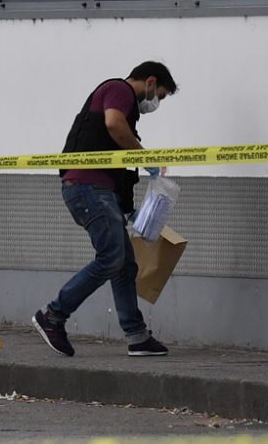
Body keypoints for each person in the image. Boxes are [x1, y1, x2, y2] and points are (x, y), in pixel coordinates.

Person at [32, 61, 178, 358]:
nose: (156, 102)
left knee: (124, 264)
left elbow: (115, 160)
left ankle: (137, 336)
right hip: (88, 187)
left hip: (98, 190)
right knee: (112, 257)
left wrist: (129, 211)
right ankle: (53, 315)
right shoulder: (118, 89)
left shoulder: (127, 110)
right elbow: (113, 124)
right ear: (150, 82)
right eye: (159, 95)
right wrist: (144, 156)